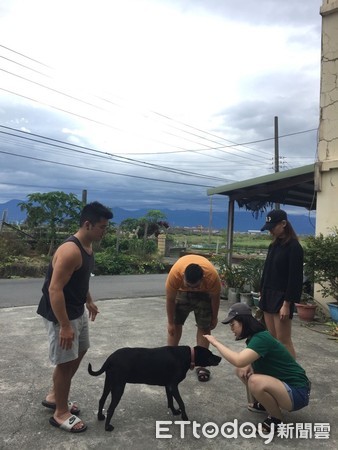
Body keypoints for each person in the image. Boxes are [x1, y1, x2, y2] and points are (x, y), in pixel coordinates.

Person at [37, 201, 113, 433]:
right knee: (65, 362)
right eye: (102, 227)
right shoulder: (70, 250)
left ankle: (54, 396)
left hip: (77, 310)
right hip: (61, 314)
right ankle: (60, 412)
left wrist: (88, 300)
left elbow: (80, 280)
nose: (105, 231)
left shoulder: (88, 247)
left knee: (80, 352)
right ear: (88, 224)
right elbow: (54, 289)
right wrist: (64, 326)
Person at [204, 303, 311, 433]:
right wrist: (247, 364)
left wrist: (215, 343)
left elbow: (238, 360)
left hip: (298, 392)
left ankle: (276, 420)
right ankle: (264, 404)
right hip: (286, 388)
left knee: (254, 381)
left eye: (233, 324)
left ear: (244, 322)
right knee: (242, 370)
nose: (231, 329)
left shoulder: (261, 338)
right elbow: (244, 362)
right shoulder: (255, 338)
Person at [165, 254, 221, 382]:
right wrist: (170, 322)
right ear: (183, 276)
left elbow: (215, 298)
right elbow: (170, 299)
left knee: (204, 327)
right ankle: (170, 360)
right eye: (189, 285)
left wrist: (214, 317)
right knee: (175, 325)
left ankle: (202, 365)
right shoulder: (175, 274)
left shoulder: (211, 276)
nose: (192, 288)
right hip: (181, 293)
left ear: (203, 278)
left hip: (204, 294)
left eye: (195, 286)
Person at [259, 209, 303, 358]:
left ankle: (295, 377)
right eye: (269, 228)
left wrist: (287, 304)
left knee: (284, 340)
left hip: (282, 298)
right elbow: (267, 270)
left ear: (283, 223)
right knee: (272, 339)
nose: (270, 231)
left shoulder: (294, 247)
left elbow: (295, 278)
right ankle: (278, 372)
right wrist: (261, 291)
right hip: (268, 293)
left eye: (273, 227)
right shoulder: (274, 246)